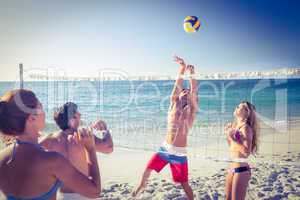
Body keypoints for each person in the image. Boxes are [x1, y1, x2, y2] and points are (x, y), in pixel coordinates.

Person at [0, 89, 101, 200]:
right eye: (41, 107)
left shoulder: (2, 158)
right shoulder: (52, 160)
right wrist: (90, 149)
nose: (44, 113)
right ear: (31, 118)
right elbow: (94, 192)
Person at [132, 56, 198, 200]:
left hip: (179, 153)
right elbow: (177, 85)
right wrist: (181, 69)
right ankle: (141, 185)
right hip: (165, 148)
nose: (186, 93)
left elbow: (195, 92)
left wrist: (192, 75)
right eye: (183, 91)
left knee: (184, 183)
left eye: (188, 93)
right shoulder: (172, 106)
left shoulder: (190, 113)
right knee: (148, 169)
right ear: (178, 95)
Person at [39, 102, 113, 200]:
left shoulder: (50, 139)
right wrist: (105, 129)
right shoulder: (82, 136)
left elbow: (31, 152)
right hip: (85, 193)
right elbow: (109, 148)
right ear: (72, 119)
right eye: (77, 113)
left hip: (62, 195)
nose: (80, 115)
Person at [224, 101, 259, 200]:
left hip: (241, 170)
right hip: (232, 168)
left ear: (246, 112)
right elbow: (233, 147)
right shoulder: (236, 127)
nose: (236, 107)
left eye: (239, 106)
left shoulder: (246, 128)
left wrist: (233, 136)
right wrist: (228, 135)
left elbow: (246, 152)